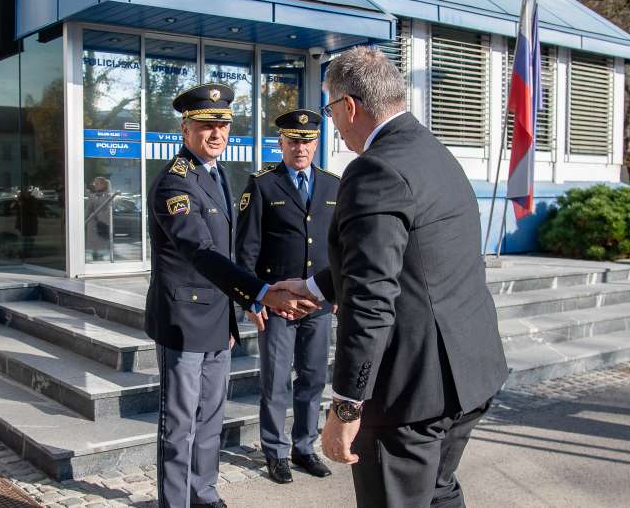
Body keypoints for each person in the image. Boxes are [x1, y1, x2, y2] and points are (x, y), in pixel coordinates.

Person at [275, 47, 508, 508]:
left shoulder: (373, 169)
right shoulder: (431, 150)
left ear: (350, 107)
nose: (334, 126)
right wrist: (316, 286)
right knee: (439, 492)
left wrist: (346, 406)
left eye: (329, 110)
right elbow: (397, 258)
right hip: (468, 374)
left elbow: (371, 298)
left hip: (411, 392)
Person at [145, 83, 318, 508]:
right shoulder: (174, 184)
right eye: (206, 126)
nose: (216, 134)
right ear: (185, 129)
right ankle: (176, 502)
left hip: (219, 316)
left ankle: (204, 492)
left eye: (222, 125)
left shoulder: (221, 175)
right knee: (180, 423)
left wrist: (245, 302)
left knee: (211, 418)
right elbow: (200, 251)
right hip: (183, 321)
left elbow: (231, 252)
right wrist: (259, 291)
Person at [235, 110, 339, 484]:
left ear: (316, 143)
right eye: (293, 140)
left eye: (307, 140)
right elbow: (246, 248)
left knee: (312, 378)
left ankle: (304, 447)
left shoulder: (333, 185)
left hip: (319, 302)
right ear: (281, 143)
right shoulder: (262, 184)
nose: (301, 147)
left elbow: (339, 246)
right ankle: (275, 451)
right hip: (277, 303)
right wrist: (251, 299)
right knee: (276, 380)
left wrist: (338, 290)